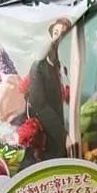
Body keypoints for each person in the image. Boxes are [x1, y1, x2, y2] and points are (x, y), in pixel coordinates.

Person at [26, 17, 72, 160]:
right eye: (56, 33)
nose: (59, 38)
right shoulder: (38, 67)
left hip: (69, 135)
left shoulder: (67, 68)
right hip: (45, 138)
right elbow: (40, 106)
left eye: (64, 35)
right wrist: (64, 136)